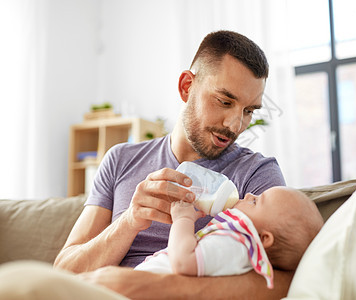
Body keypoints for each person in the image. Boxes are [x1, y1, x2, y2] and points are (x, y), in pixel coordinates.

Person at [0, 30, 292, 299]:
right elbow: (65, 272)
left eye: (249, 111)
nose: (235, 125)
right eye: (225, 102)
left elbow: (287, 280)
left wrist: (160, 286)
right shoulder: (120, 160)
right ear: (186, 86)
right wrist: (129, 221)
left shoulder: (257, 175)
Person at [134, 186, 324, 290]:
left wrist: (183, 219)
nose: (248, 194)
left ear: (264, 238)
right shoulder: (236, 243)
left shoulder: (237, 244)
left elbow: (183, 262)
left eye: (256, 201)